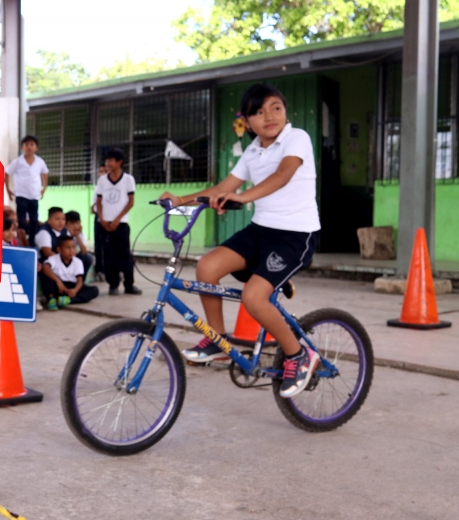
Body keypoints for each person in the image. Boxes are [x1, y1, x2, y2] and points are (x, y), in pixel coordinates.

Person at [159, 83, 320, 399]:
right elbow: (223, 186)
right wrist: (180, 199)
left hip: (296, 235)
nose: (269, 116)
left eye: (275, 107)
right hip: (261, 231)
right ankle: (218, 341)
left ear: (285, 111)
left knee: (253, 297)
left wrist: (242, 196)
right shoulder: (252, 151)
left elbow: (283, 175)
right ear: (247, 122)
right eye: (258, 112)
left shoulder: (296, 138)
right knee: (207, 267)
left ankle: (298, 355)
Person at [95, 149, 141, 296]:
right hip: (105, 223)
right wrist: (101, 218)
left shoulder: (128, 179)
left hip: (120, 224)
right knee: (108, 255)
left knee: (125, 254)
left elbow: (130, 202)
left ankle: (129, 284)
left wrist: (117, 219)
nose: (107, 164)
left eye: (111, 161)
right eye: (106, 161)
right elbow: (99, 201)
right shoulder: (102, 180)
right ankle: (112, 284)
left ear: (119, 162)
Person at [5, 136, 49, 247]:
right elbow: (7, 172)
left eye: (32, 144)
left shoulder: (40, 162)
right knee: (22, 220)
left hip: (34, 195)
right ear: (22, 147)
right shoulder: (17, 162)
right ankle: (21, 240)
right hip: (21, 195)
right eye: (26, 144)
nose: (29, 147)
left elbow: (45, 173)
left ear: (37, 148)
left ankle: (32, 241)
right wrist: (8, 190)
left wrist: (44, 187)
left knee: (34, 220)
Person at [41, 235, 99, 310]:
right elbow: (46, 268)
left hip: (71, 287)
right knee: (45, 275)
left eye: (73, 247)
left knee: (94, 290)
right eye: (67, 248)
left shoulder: (78, 262)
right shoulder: (54, 259)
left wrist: (75, 290)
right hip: (58, 287)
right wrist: (58, 281)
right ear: (59, 249)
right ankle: (52, 299)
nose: (71, 250)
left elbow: (80, 281)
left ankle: (68, 300)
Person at [92, 163, 107, 281]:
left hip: (110, 217)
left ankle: (111, 270)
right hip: (99, 217)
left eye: (104, 171)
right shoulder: (98, 187)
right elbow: (94, 205)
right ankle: (100, 270)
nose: (102, 174)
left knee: (110, 245)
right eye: (100, 171)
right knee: (99, 244)